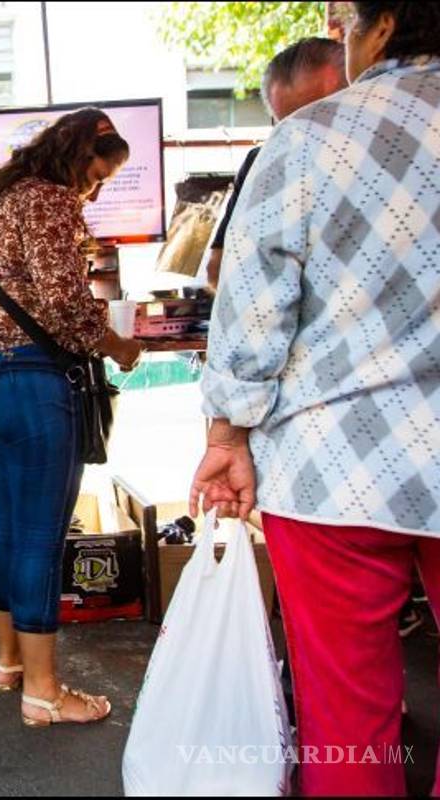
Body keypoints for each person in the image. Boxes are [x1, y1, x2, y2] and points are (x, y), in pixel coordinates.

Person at [189, 4, 440, 795]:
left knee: (346, 717)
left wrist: (227, 436)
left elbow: (251, 312)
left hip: (334, 468)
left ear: (383, 25)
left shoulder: (306, 140)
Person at [0, 108, 142, 727]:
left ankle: (10, 661)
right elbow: (66, 307)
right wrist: (118, 346)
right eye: (98, 176)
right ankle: (44, 693)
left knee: (5, 528)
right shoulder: (49, 201)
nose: (96, 191)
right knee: (39, 537)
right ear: (81, 155)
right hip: (31, 387)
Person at [203, 37, 347, 291]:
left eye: (320, 122)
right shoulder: (262, 163)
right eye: (287, 129)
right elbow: (218, 271)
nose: (303, 142)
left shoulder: (384, 159)